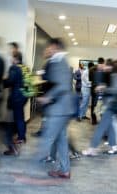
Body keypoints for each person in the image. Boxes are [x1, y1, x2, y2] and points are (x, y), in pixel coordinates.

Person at [37, 38, 74, 179]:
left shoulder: (60, 62)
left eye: (49, 47)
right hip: (61, 109)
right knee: (61, 140)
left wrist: (48, 97)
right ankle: (65, 170)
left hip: (59, 109)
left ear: (55, 47)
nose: (48, 50)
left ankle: (30, 168)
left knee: (47, 138)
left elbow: (63, 85)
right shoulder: (56, 61)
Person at [82, 59, 117, 156]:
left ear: (109, 66)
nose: (103, 67)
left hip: (112, 105)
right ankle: (114, 148)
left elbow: (116, 90)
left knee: (101, 126)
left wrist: (103, 88)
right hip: (111, 104)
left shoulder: (114, 75)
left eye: (105, 65)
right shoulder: (112, 75)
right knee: (109, 126)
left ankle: (92, 149)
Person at [3, 51, 27, 152]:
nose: (10, 59)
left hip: (16, 96)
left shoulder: (14, 68)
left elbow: (10, 81)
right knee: (20, 117)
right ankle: (22, 136)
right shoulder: (24, 68)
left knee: (16, 118)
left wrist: (4, 81)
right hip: (23, 95)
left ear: (16, 59)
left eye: (12, 57)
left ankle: (18, 139)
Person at [89, 57, 105, 125]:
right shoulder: (103, 69)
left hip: (93, 89)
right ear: (103, 62)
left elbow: (90, 79)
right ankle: (101, 120)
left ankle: (94, 120)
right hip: (100, 89)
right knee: (100, 105)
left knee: (93, 105)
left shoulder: (91, 69)